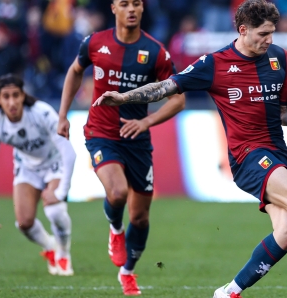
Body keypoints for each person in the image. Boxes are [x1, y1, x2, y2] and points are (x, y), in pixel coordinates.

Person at [92, 1, 287, 297]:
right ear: (243, 30)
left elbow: (280, 113)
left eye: (272, 33)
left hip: (277, 153)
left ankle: (229, 292)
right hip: (246, 156)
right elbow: (166, 87)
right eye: (262, 34)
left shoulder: (278, 58)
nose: (269, 40)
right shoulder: (214, 64)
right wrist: (123, 98)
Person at [57, 0, 186, 295]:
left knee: (140, 216)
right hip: (101, 132)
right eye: (125, 3)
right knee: (117, 193)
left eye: (137, 3)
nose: (131, 9)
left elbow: (178, 99)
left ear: (142, 9)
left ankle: (127, 272)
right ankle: (115, 230)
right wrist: (63, 115)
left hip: (136, 138)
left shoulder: (156, 52)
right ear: (113, 7)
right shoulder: (94, 43)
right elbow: (75, 71)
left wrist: (147, 122)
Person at [0, 74, 76, 276]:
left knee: (55, 211)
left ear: (23, 95)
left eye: (16, 95)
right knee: (24, 223)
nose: (12, 102)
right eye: (6, 96)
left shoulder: (41, 112)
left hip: (53, 162)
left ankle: (64, 253)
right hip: (27, 168)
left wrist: (61, 191)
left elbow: (69, 152)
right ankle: (50, 246)